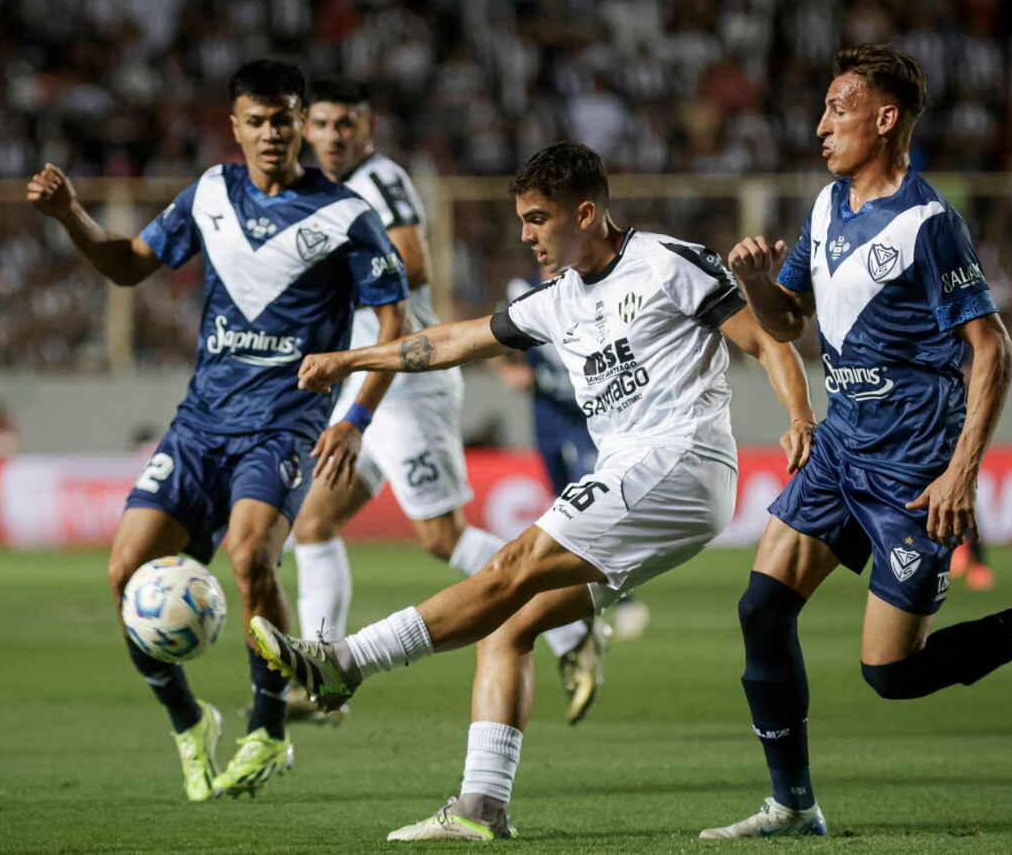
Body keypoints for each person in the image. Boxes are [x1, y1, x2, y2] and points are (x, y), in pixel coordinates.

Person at [252, 142, 817, 840]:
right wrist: (353, 357)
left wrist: (799, 416)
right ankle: (481, 806)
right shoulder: (557, 302)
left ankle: (344, 661)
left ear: (586, 213)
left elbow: (768, 338)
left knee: (509, 565)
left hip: (681, 458)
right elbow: (454, 340)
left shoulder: (667, 262)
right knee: (511, 620)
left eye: (538, 218)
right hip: (639, 473)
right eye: (522, 220)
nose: (526, 235)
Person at [704, 45, 1012, 840]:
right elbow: (788, 324)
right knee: (761, 608)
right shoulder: (826, 206)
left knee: (893, 675)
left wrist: (960, 474)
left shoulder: (929, 222)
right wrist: (764, 283)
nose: (820, 125)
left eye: (839, 108)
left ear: (886, 117)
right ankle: (793, 804)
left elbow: (993, 348)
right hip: (841, 448)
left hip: (912, 467)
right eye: (824, 108)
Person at [26, 60, 411, 802]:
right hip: (200, 425)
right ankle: (189, 721)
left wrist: (356, 417)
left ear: (302, 123)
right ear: (234, 127)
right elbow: (130, 265)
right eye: (256, 121)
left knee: (250, 558)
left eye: (284, 119)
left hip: (283, 423)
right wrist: (71, 214)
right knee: (122, 575)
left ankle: (268, 730)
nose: (272, 134)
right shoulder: (210, 193)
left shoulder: (345, 215)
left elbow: (397, 322)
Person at [289, 77, 604, 727]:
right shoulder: (324, 188)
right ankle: (318, 672)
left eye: (344, 123)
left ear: (367, 127)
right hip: (369, 381)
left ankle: (573, 625)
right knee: (313, 522)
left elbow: (414, 266)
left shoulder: (380, 180)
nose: (332, 136)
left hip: (405, 388)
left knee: (443, 537)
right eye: (320, 124)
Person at [501, 271, 651, 644]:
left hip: (586, 422)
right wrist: (508, 370)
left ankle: (623, 598)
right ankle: (583, 604)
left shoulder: (591, 290)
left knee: (589, 516)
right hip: (546, 420)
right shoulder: (524, 292)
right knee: (564, 511)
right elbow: (494, 343)